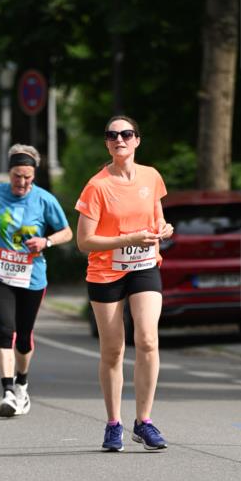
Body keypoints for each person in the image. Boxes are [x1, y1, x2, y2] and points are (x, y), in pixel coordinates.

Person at [75, 115, 174, 452]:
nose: (120, 139)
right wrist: (127, 238)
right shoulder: (97, 186)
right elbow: (84, 242)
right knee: (113, 349)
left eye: (126, 134)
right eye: (112, 135)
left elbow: (158, 218)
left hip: (145, 266)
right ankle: (113, 423)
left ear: (137, 140)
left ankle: (143, 421)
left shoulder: (151, 176)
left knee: (147, 339)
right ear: (107, 143)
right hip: (106, 272)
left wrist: (164, 229)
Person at [0, 144, 72, 417]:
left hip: (32, 275)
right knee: (5, 330)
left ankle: (21, 383)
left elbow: (67, 232)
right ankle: (7, 391)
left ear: (34, 176)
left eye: (28, 177)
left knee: (24, 335)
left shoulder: (44, 199)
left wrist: (47, 241)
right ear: (9, 173)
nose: (22, 182)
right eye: (17, 176)